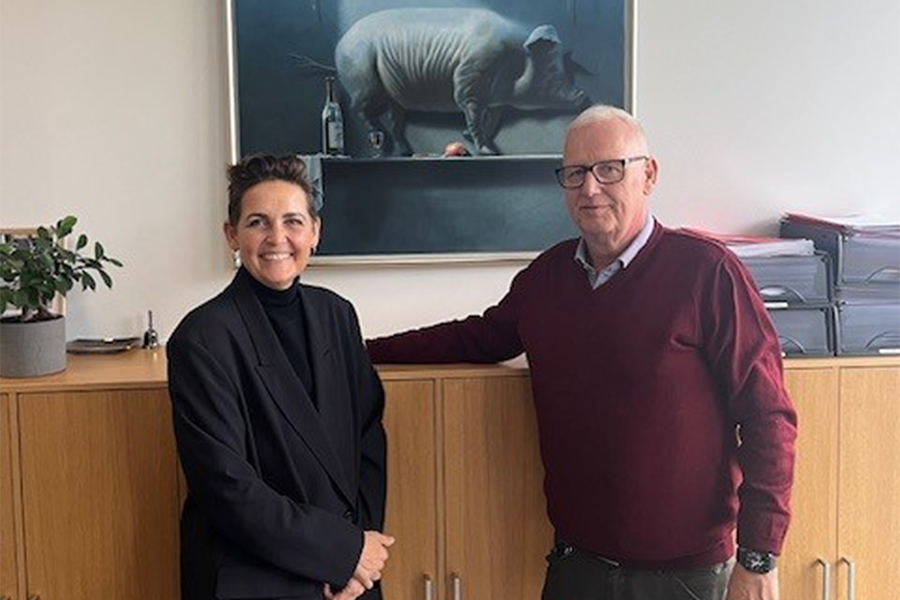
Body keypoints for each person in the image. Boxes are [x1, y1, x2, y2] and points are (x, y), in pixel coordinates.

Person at [367, 105, 797, 600]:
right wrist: (358, 350)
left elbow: (769, 417)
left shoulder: (707, 272)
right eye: (575, 174)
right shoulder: (546, 279)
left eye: (609, 169)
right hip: (578, 569)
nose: (590, 188)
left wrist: (759, 556)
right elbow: (475, 338)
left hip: (687, 577)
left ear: (648, 175)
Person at [168, 154, 394, 600]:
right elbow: (227, 486)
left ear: (315, 232)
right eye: (257, 222)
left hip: (349, 576)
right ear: (231, 234)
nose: (277, 238)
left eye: (293, 221)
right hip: (252, 577)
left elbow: (369, 441)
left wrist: (359, 556)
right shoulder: (202, 338)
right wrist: (339, 553)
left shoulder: (337, 314)